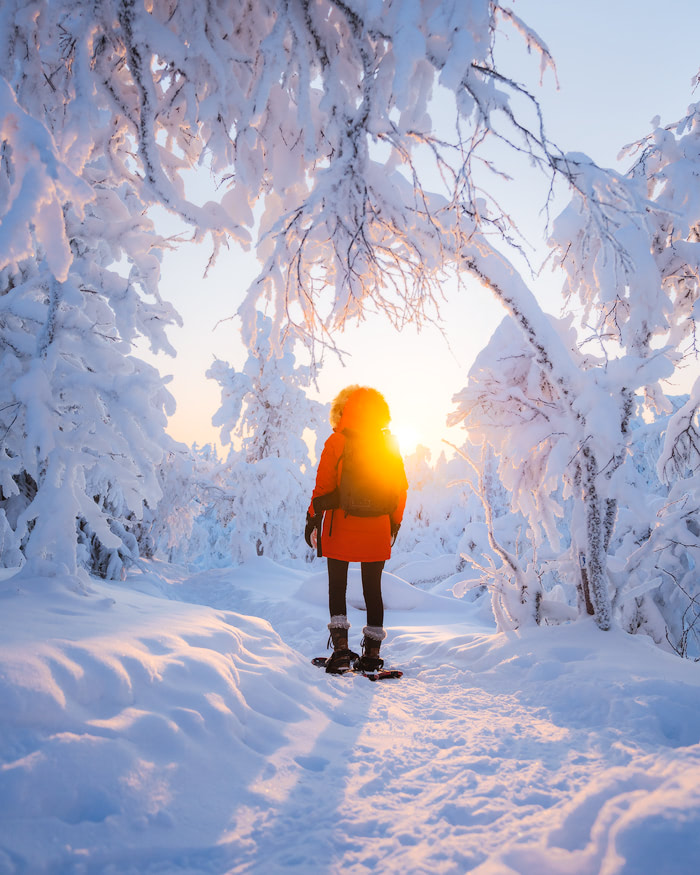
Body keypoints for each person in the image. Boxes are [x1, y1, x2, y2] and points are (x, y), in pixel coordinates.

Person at [305, 386, 408, 673]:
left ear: (342, 411)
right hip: (376, 528)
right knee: (372, 590)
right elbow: (401, 489)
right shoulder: (388, 443)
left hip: (340, 526)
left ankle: (340, 654)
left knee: (337, 587)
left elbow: (323, 487)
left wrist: (312, 519)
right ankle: (372, 657)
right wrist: (393, 524)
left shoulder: (337, 441)